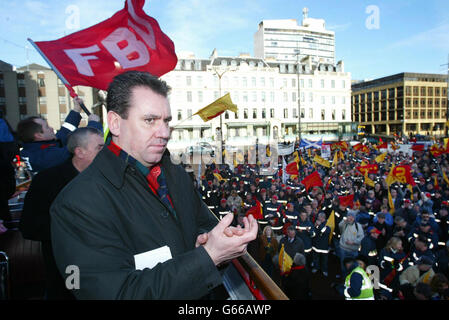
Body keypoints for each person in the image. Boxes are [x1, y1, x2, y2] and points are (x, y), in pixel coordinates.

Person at [50, 71, 258, 299]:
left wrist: (211, 240)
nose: (164, 133)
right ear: (115, 123)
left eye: (166, 121)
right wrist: (207, 258)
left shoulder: (176, 174)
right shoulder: (76, 203)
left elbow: (203, 224)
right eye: (150, 120)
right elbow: (115, 294)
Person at [20, 127, 104, 299]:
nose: (106, 153)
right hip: (66, 271)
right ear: (80, 152)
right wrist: (74, 227)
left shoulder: (107, 179)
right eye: (100, 148)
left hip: (105, 270)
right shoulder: (47, 181)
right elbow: (29, 227)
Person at [16, 97, 102, 173]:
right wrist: (94, 125)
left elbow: (64, 134)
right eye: (46, 127)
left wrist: (76, 109)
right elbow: (82, 146)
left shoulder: (35, 149)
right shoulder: (44, 157)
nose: (51, 128)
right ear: (39, 135)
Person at [339, 210, 364, 276]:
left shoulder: (358, 226)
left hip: (353, 250)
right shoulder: (344, 223)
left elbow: (361, 237)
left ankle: (351, 277)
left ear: (354, 218)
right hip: (343, 248)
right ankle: (343, 277)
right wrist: (344, 220)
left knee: (353, 265)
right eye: (349, 216)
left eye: (352, 216)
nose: (350, 218)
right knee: (343, 264)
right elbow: (340, 226)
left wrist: (353, 242)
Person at [311, 212, 331, 276]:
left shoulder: (328, 224)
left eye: (319, 217)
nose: (318, 218)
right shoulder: (316, 223)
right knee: (315, 258)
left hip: (324, 247)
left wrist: (319, 225)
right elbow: (314, 232)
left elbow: (324, 231)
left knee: (324, 260)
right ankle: (316, 267)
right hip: (316, 245)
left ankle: (324, 270)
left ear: (323, 218)